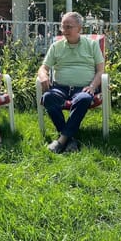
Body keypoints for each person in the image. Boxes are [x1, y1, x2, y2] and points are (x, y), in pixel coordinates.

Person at [37, 12, 104, 153]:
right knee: (48, 97)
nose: (64, 30)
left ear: (79, 28)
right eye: (63, 27)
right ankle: (70, 139)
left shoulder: (92, 45)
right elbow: (43, 67)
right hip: (60, 88)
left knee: (84, 99)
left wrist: (92, 86)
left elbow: (100, 71)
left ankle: (61, 140)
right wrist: (43, 76)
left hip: (83, 88)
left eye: (69, 27)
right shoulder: (56, 46)